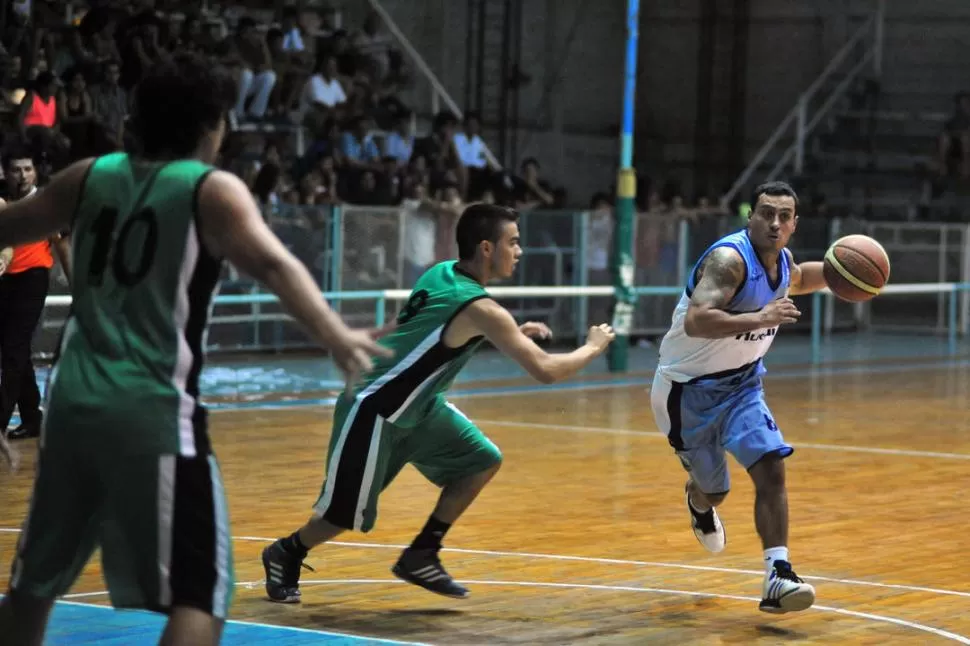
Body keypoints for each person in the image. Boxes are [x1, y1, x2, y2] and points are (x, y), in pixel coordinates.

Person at [0, 52, 391, 646]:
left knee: (33, 586)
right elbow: (274, 264)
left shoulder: (86, 175)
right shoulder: (210, 189)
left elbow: (8, 226)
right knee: (201, 595)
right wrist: (335, 334)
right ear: (212, 125)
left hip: (73, 408)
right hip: (152, 412)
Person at [262, 203, 616, 604]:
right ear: (486, 248)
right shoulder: (481, 309)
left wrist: (509, 331)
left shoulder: (442, 273)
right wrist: (592, 346)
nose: (520, 251)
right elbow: (547, 370)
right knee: (340, 517)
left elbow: (427, 327)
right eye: (513, 242)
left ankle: (423, 552)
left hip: (420, 406)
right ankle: (285, 551)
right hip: (376, 407)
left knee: (481, 460)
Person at [650, 180, 826, 614]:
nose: (774, 222)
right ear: (750, 216)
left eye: (784, 216)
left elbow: (805, 277)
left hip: (743, 386)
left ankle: (777, 575)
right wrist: (761, 315)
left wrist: (857, 273)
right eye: (766, 212)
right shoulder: (729, 260)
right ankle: (698, 499)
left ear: (793, 225)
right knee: (716, 491)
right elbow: (697, 320)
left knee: (771, 468)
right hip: (685, 390)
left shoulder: (784, 264)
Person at [0, 149, 72, 443]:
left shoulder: (45, 205)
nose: (23, 175)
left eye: (28, 169)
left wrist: (76, 286)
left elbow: (63, 245)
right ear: (6, 172)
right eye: (17, 169)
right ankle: (32, 417)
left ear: (36, 172)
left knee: (14, 349)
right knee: (13, 348)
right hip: (5, 281)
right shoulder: (3, 202)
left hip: (33, 279)